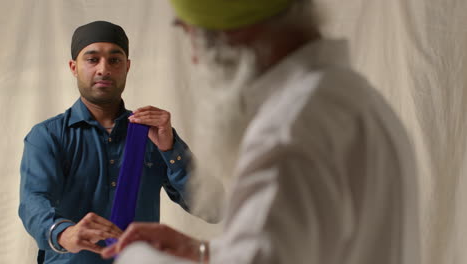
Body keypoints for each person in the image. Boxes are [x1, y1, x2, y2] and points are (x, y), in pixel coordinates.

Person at [102, 0, 421, 263]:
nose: (196, 59)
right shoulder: (353, 97)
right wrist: (203, 252)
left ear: (237, 33)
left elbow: (214, 210)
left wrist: (135, 257)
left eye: (192, 36)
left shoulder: (289, 130)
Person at [19, 20, 200, 264]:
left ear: (127, 67)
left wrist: (170, 149)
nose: (103, 69)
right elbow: (34, 201)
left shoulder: (153, 134)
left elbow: (211, 208)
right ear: (73, 67)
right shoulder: (48, 136)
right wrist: (63, 232)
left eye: (114, 60)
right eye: (92, 59)